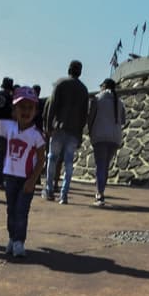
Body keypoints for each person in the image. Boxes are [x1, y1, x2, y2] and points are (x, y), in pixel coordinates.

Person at [0, 86, 47, 258]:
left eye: (30, 108)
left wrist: (33, 180)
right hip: (10, 177)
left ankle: (19, 241)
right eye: (22, 107)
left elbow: (41, 160)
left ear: (35, 111)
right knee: (11, 210)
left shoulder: (37, 135)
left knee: (21, 210)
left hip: (26, 179)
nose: (26, 111)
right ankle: (12, 237)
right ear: (14, 110)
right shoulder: (9, 127)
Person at [44, 61, 88, 203]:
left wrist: (48, 126)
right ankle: (64, 194)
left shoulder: (60, 84)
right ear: (80, 72)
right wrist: (80, 134)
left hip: (59, 128)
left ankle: (49, 190)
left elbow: (52, 106)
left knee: (52, 158)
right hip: (74, 131)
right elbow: (83, 115)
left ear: (69, 69)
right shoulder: (84, 90)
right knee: (69, 162)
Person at [87, 78, 127, 207]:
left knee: (100, 165)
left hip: (100, 136)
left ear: (103, 86)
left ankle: (99, 193)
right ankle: (101, 191)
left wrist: (90, 132)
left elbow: (90, 117)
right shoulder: (119, 102)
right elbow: (123, 120)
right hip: (115, 137)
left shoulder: (97, 99)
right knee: (105, 166)